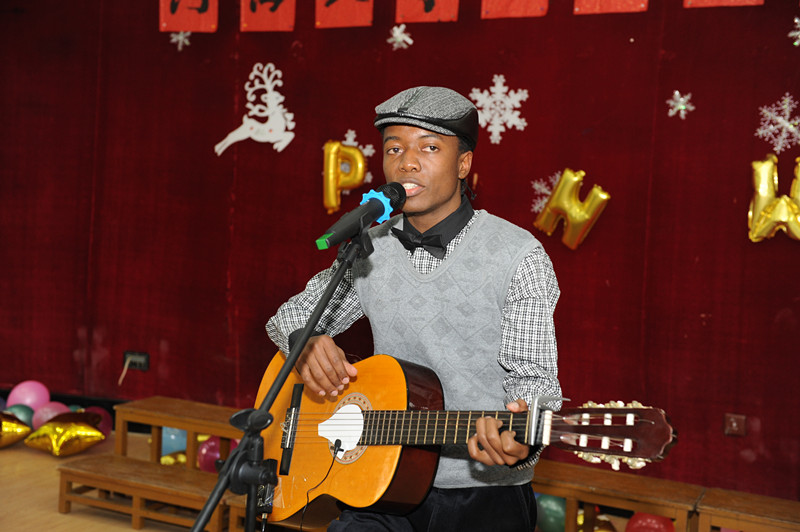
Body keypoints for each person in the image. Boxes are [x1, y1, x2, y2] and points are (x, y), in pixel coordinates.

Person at [266, 86, 561, 531]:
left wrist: (523, 440)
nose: (407, 162)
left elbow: (537, 385)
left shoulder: (519, 257)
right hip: (380, 479)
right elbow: (287, 318)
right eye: (394, 149)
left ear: (463, 164)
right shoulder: (371, 247)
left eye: (429, 147)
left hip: (482, 495)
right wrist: (304, 341)